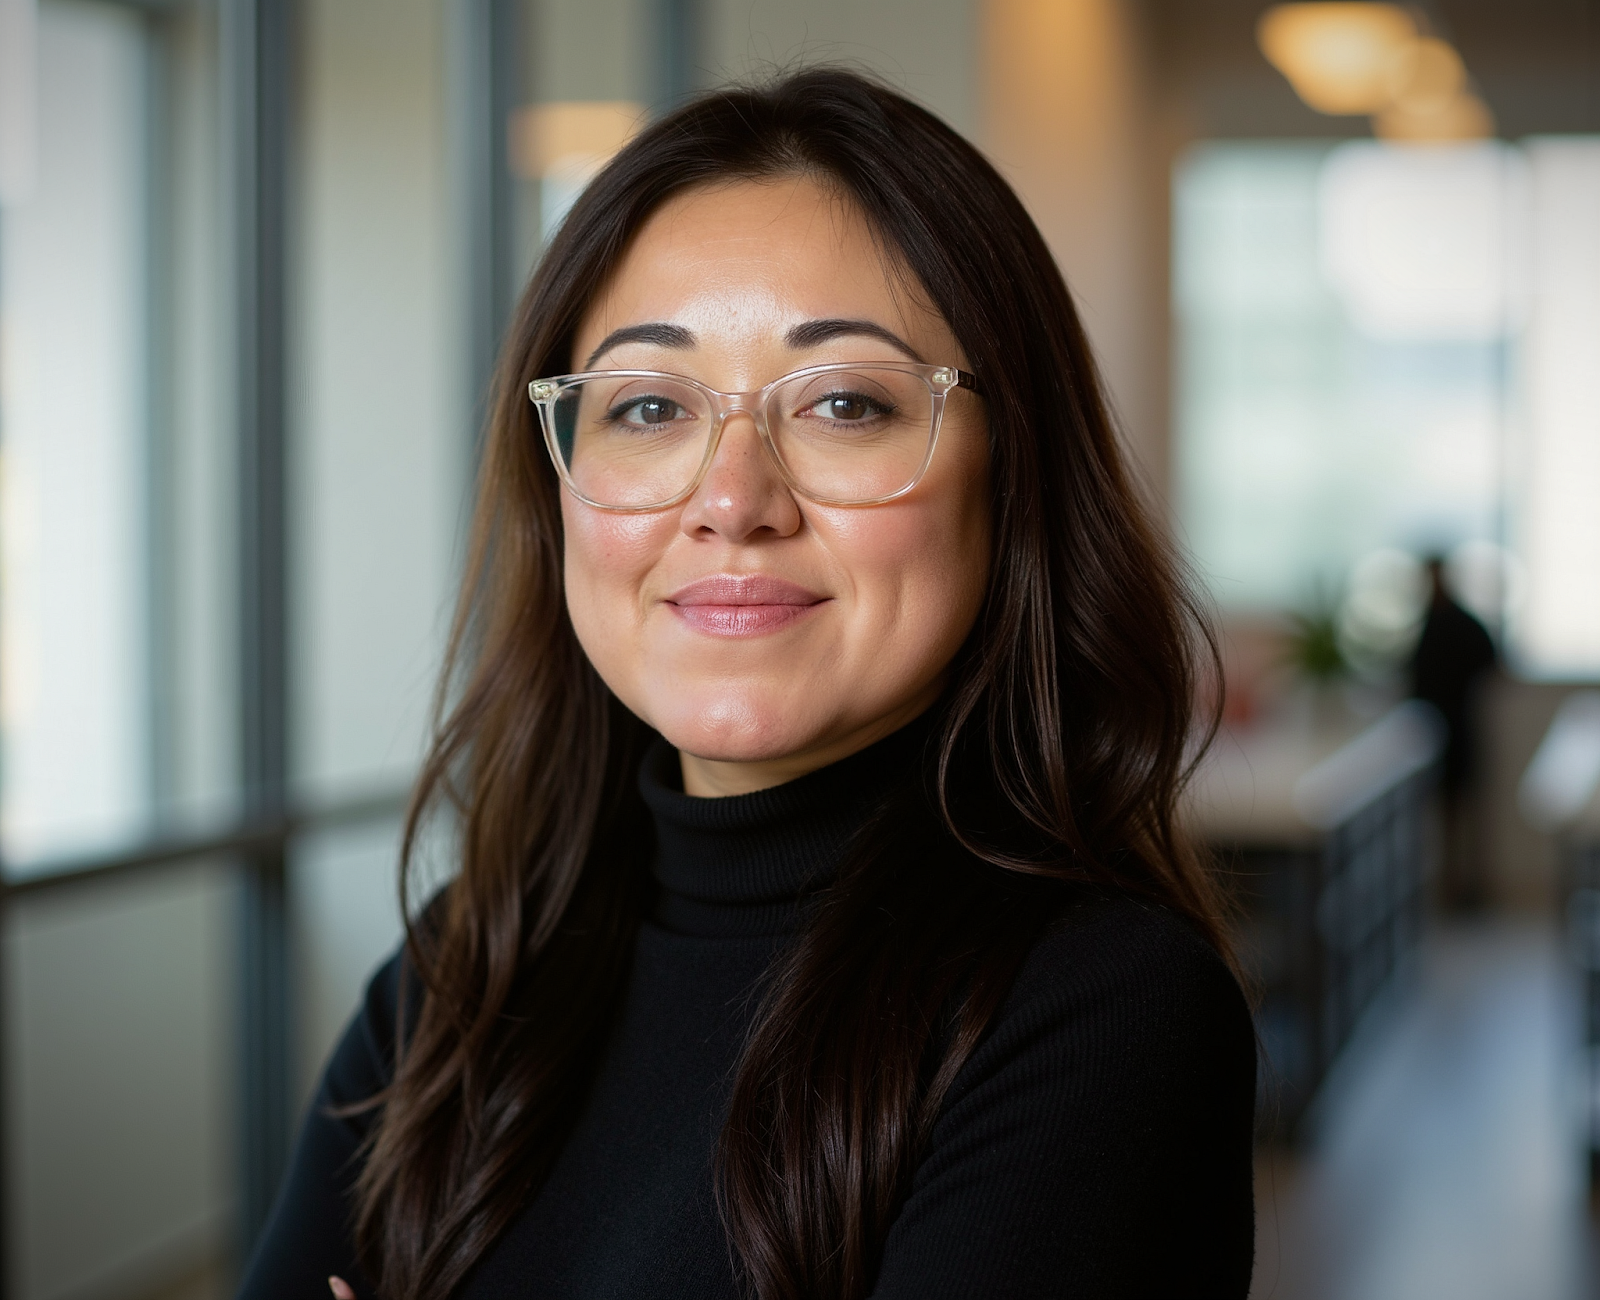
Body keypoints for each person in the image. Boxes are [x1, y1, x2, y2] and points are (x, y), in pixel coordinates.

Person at [239, 69, 1255, 1300]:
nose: (731, 501)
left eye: (843, 402)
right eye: (650, 405)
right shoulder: (470, 965)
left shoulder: (1098, 1015)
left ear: (1015, 476)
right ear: (558, 488)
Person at [1410, 554, 1498, 909]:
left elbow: (1491, 663)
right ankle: (1449, 886)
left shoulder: (1462, 622)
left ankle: (1468, 887)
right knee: (1443, 815)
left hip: (1460, 730)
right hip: (1431, 733)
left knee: (1465, 814)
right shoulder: (1427, 621)